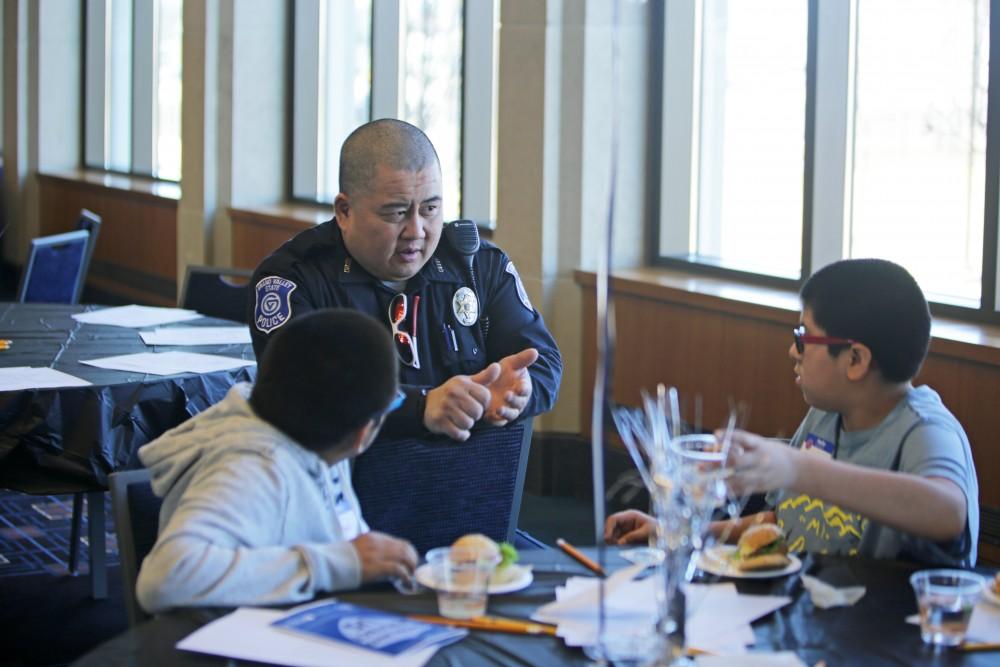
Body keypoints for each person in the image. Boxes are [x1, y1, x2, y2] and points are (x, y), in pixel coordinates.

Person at [605, 259, 980, 567]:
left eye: (803, 336)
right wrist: (685, 533)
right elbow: (789, 520)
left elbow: (947, 512)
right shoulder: (826, 415)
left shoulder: (926, 430)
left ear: (855, 359)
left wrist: (797, 468)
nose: (793, 351)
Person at [249, 118, 561, 442]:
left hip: (471, 482)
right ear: (344, 211)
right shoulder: (295, 279)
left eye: (430, 209)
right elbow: (298, 391)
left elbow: (544, 361)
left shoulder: (477, 265)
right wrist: (419, 407)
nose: (416, 231)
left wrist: (518, 393)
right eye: (396, 213)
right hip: (350, 484)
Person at [135, 310, 419, 613]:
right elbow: (165, 578)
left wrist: (362, 558)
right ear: (363, 432)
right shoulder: (252, 468)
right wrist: (337, 563)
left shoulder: (318, 440)